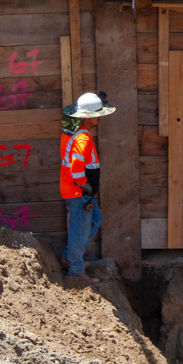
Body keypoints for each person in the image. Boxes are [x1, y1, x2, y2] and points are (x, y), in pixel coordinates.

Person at [59, 92, 115, 284]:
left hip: (75, 191)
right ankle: (75, 270)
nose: (99, 117)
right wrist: (83, 184)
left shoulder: (72, 133)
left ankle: (69, 258)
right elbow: (76, 165)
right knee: (79, 230)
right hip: (78, 193)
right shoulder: (83, 138)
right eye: (97, 114)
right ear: (88, 117)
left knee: (95, 220)